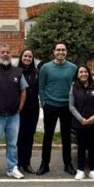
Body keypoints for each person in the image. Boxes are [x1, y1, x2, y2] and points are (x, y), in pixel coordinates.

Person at [0, 44, 27, 180]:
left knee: (12, 143)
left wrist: (20, 108)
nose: (5, 54)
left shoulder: (18, 71)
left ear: (11, 54)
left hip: (13, 115)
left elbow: (23, 91)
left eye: (8, 52)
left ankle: (12, 168)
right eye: (3, 52)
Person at [36, 42, 77, 175]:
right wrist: (44, 102)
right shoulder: (46, 68)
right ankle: (44, 164)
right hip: (50, 106)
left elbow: (77, 86)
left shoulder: (73, 68)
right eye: (58, 50)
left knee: (66, 137)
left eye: (63, 50)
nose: (60, 52)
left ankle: (68, 164)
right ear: (53, 52)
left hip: (67, 106)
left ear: (66, 52)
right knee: (48, 136)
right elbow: (41, 86)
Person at [68, 64, 94, 180]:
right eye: (81, 72)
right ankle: (80, 170)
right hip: (80, 123)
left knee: (93, 146)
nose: (83, 74)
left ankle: (93, 170)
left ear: (89, 73)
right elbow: (71, 106)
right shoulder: (74, 87)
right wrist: (81, 119)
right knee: (81, 147)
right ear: (77, 75)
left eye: (85, 71)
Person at [16, 48, 40, 173]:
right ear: (21, 57)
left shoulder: (36, 72)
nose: (27, 58)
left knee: (30, 137)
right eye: (25, 56)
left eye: (30, 56)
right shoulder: (16, 71)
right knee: (20, 136)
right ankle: (19, 163)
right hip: (21, 110)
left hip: (34, 109)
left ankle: (27, 163)